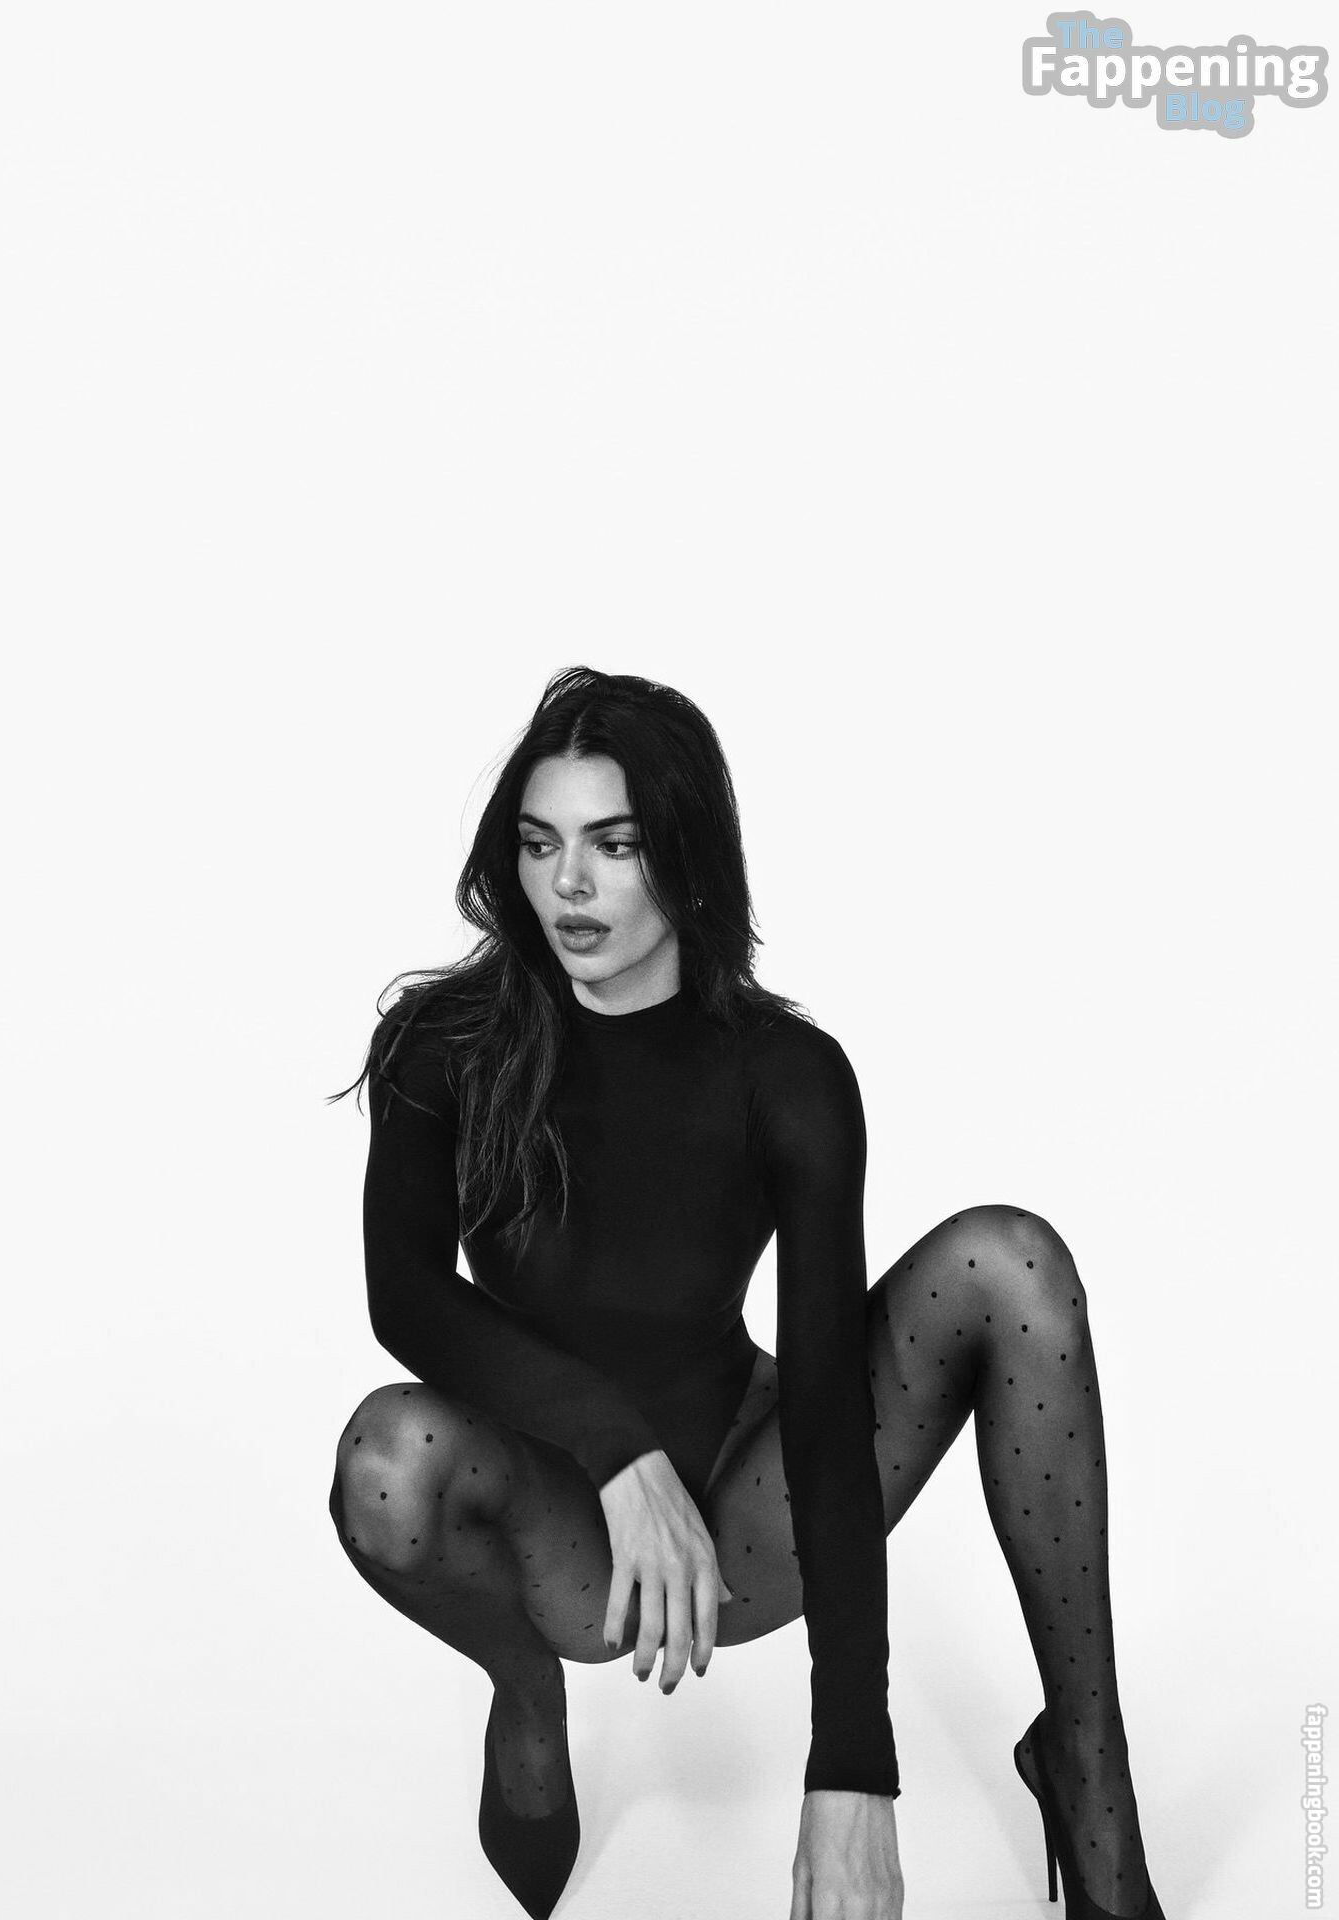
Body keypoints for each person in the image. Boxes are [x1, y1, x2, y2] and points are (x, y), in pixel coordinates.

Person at [329, 666, 1167, 1920]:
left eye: (613, 845)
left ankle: (1086, 1759)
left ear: (686, 854)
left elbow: (825, 1408)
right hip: (560, 1523)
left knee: (1012, 1262)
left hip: (740, 1510)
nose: (568, 885)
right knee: (388, 1462)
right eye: (541, 844)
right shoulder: (446, 1045)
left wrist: (853, 1771)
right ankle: (525, 1688)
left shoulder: (786, 1074)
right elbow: (405, 1296)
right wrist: (617, 1452)